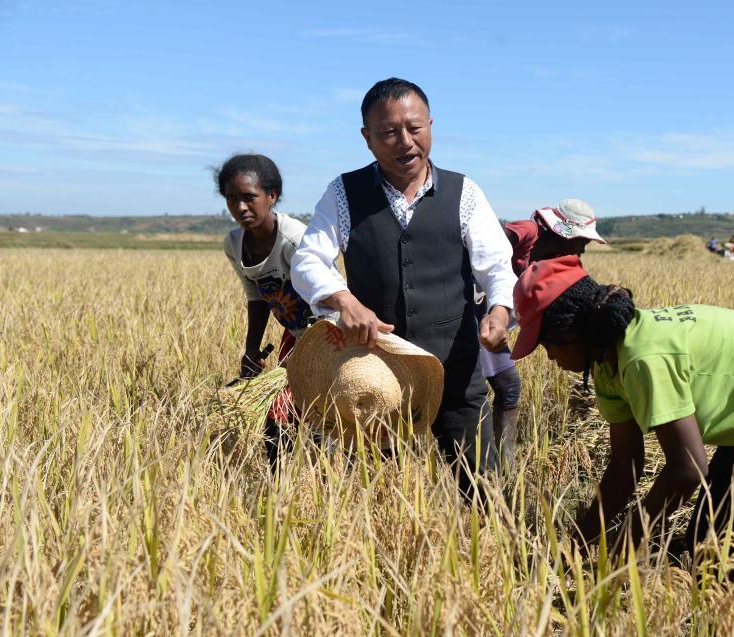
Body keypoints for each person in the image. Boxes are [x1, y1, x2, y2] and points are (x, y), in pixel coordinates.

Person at [511, 256, 734, 637]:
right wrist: (571, 551)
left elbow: (687, 469)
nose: (548, 357)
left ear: (571, 333)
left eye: (546, 345)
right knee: (710, 548)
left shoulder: (643, 356)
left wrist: (622, 548)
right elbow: (624, 469)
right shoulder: (608, 366)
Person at [291, 78, 516, 498]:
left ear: (431, 125)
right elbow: (307, 260)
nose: (405, 142)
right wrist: (343, 300)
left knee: (483, 495)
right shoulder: (343, 193)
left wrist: (500, 310)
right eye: (389, 133)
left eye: (414, 129)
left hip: (456, 369)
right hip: (377, 377)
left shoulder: (464, 192)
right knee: (379, 497)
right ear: (367, 139)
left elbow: (498, 267)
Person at [478, 199, 607, 467]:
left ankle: (502, 463)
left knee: (506, 388)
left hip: (491, 322)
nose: (583, 249)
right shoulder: (527, 232)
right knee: (487, 388)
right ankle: (491, 463)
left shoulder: (554, 263)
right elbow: (482, 249)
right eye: (581, 240)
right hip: (472, 314)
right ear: (563, 233)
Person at [217, 153, 313, 466]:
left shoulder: (293, 240)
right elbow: (255, 295)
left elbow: (331, 294)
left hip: (328, 334)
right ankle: (279, 484)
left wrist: (310, 355)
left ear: (271, 196)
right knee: (278, 413)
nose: (240, 207)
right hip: (294, 334)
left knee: (310, 410)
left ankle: (319, 479)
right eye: (232, 199)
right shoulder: (234, 243)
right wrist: (251, 349)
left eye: (249, 197)